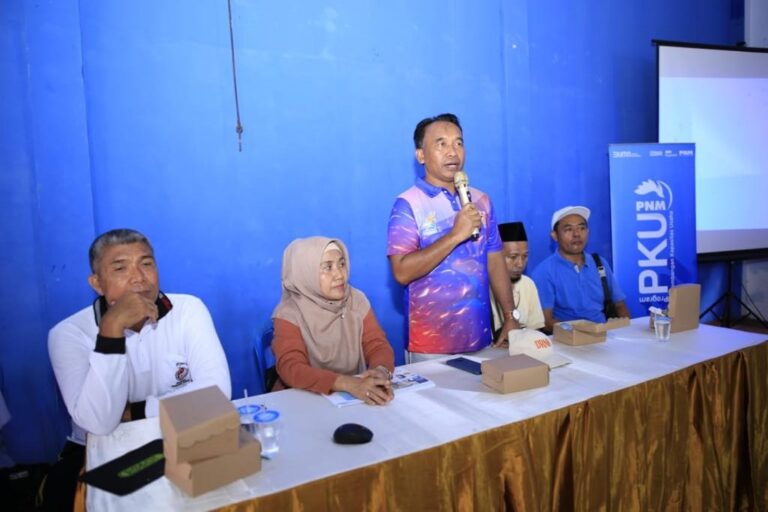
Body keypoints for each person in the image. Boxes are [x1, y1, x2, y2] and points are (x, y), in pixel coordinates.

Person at [46, 228, 231, 510]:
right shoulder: (69, 334)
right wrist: (111, 330)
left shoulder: (188, 309)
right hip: (100, 451)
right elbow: (99, 423)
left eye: (146, 264)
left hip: (180, 435)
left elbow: (217, 394)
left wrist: (135, 412)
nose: (138, 278)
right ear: (97, 283)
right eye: (120, 268)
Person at [387, 113, 517, 362]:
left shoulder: (481, 200)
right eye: (442, 144)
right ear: (421, 155)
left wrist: (510, 316)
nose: (452, 152)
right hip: (430, 345)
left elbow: (495, 259)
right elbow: (401, 271)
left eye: (458, 143)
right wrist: (455, 235)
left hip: (481, 338)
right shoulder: (408, 204)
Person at [272, 237, 395, 405]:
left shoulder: (356, 300)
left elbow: (377, 344)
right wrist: (347, 384)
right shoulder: (289, 312)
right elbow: (292, 368)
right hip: (302, 399)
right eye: (328, 267)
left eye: (341, 264)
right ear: (306, 273)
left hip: (353, 398)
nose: (339, 275)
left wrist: (380, 370)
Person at [531, 206, 630, 332]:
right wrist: (582, 334)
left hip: (604, 334)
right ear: (555, 235)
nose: (577, 234)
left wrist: (627, 332)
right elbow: (546, 321)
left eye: (581, 228)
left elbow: (620, 305)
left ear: (588, 232)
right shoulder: (544, 271)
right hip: (567, 338)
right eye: (568, 229)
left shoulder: (599, 263)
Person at [490, 222, 545, 335]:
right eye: (513, 257)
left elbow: (536, 329)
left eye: (525, 256)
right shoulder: (483, 288)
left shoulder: (528, 284)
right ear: (496, 258)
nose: (520, 264)